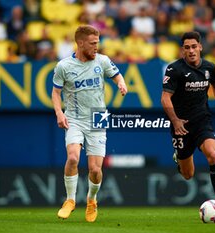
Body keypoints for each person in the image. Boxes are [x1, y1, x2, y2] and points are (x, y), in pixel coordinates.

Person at [52, 25, 127, 222]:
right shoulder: (64, 66)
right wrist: (59, 113)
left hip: (98, 117)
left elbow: (116, 74)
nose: (96, 47)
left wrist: (121, 82)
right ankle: (70, 200)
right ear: (81, 43)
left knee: (95, 169)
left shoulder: (102, 60)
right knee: (74, 158)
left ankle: (91, 200)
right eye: (93, 43)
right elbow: (56, 92)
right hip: (75, 117)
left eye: (98, 43)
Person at [161, 31, 215, 217]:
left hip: (202, 120)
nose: (191, 51)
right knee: (188, 174)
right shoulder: (174, 69)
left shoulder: (210, 67)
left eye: (194, 46)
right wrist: (175, 121)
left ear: (200, 46)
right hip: (181, 125)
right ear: (182, 50)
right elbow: (165, 98)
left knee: (212, 154)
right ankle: (179, 157)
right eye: (187, 47)